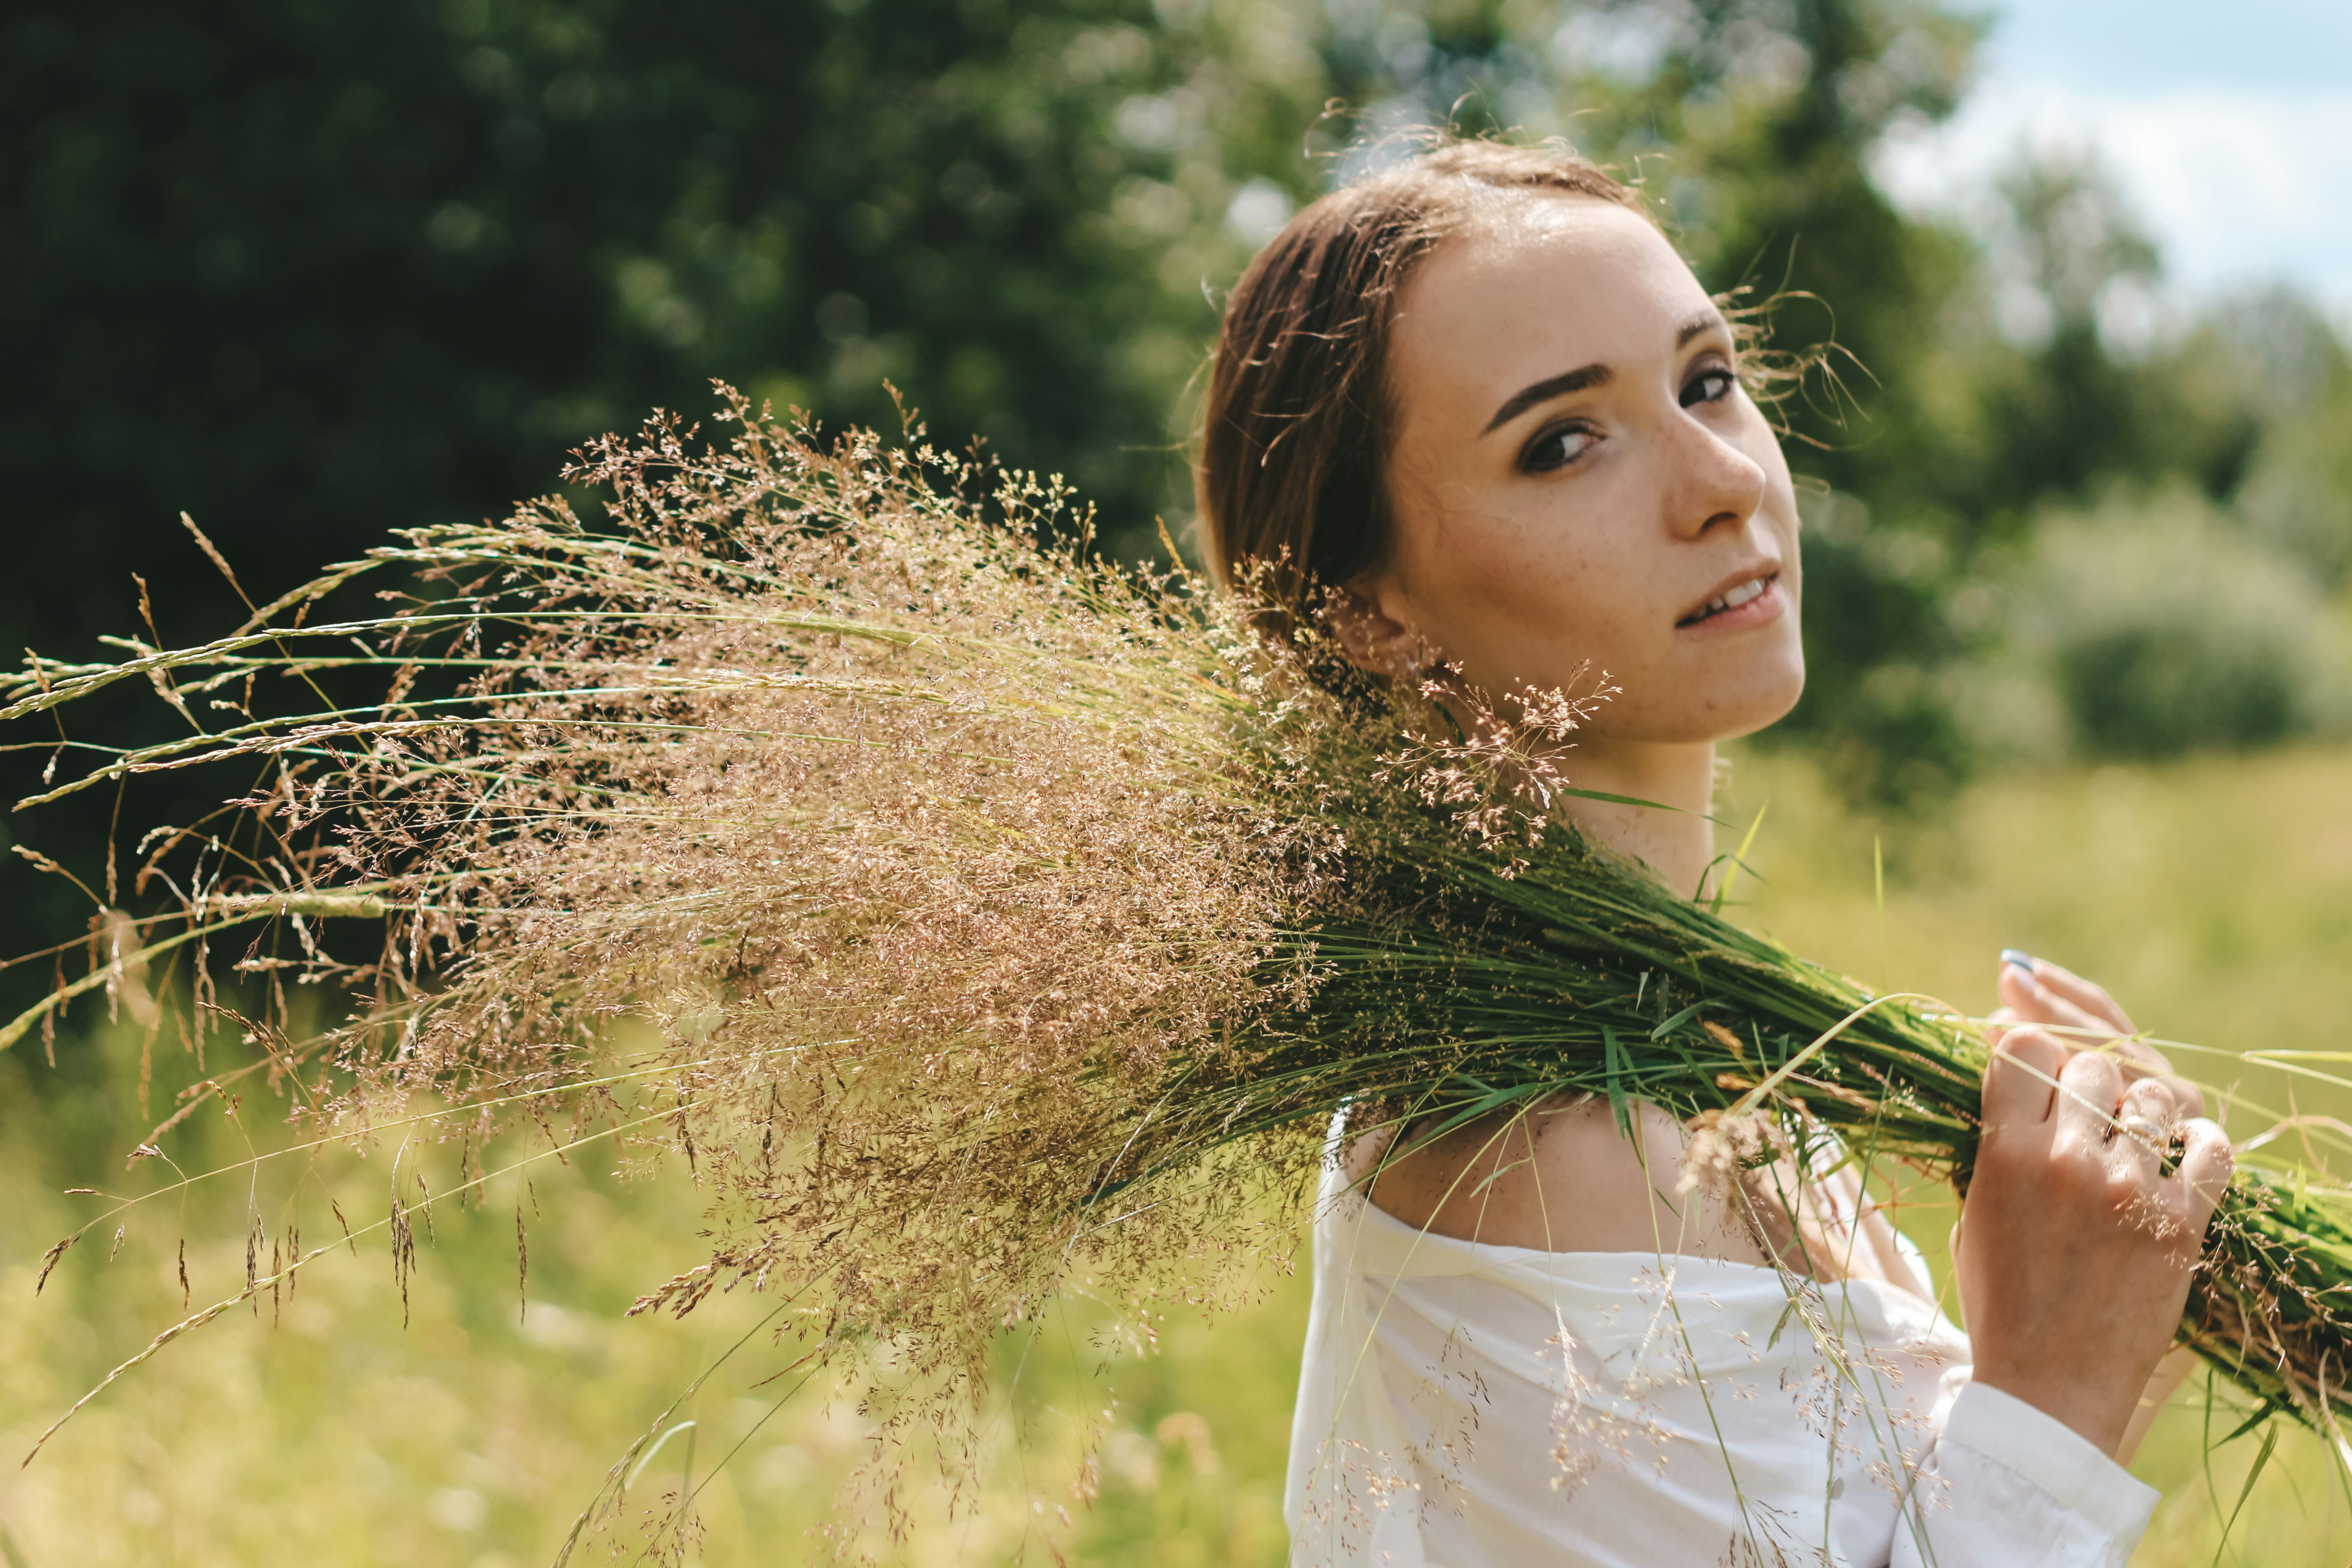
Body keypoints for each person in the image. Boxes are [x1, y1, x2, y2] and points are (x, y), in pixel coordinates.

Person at [1193, 137, 2234, 1568]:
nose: (1720, 481)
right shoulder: (1551, 1157)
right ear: (1371, 618)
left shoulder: (1682, 1058)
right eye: (1562, 442)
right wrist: (2053, 1396)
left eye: (1707, 381)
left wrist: (2111, 1327)